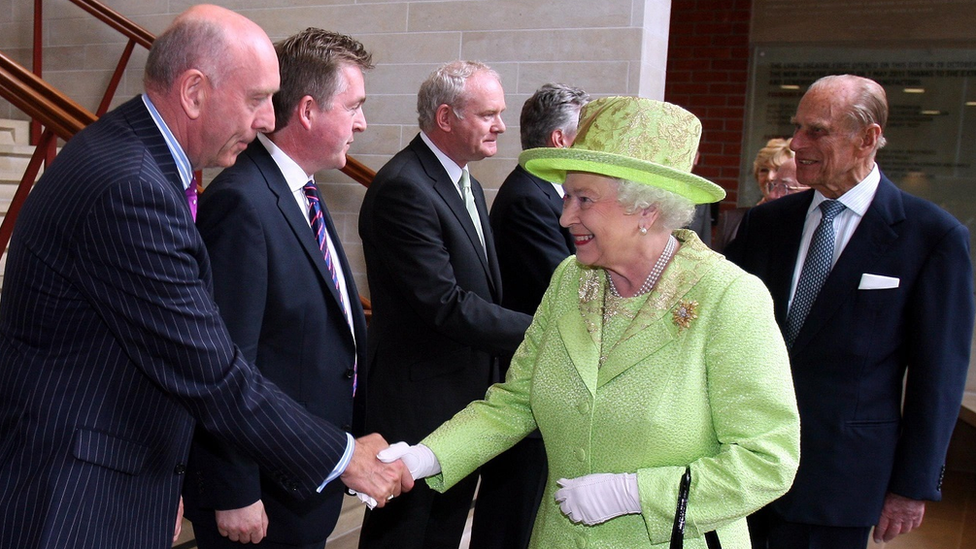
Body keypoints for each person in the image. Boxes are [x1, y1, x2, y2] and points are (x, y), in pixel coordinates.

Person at [0, 7, 409, 549]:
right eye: (257, 98)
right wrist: (341, 455)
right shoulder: (131, 186)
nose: (269, 119)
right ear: (194, 92)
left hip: (118, 470)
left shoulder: (137, 159)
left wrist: (170, 472)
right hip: (75, 492)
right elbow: (211, 370)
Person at [380, 96, 801, 549]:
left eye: (584, 199)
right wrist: (423, 458)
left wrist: (634, 494)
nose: (565, 217)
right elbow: (517, 401)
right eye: (566, 197)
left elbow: (768, 458)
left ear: (647, 210)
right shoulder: (571, 280)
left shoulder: (728, 297)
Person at [725, 74, 974, 549]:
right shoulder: (765, 225)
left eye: (816, 131)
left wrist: (911, 486)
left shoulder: (931, 237)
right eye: (797, 128)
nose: (797, 143)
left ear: (868, 138)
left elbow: (937, 376)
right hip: (740, 468)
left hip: (841, 481)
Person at [181, 28, 374, 549]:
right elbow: (221, 364)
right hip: (262, 493)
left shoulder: (302, 190)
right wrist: (233, 490)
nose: (361, 122)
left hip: (303, 478)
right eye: (354, 106)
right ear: (309, 110)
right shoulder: (243, 202)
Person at [357, 60, 533, 549]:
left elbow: (482, 293)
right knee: (405, 536)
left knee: (443, 532)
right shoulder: (404, 187)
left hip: (465, 398)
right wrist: (544, 329)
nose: (501, 125)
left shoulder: (468, 183)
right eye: (489, 114)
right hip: (419, 404)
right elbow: (445, 303)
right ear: (446, 117)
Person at [477, 82, 587, 549]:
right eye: (590, 136)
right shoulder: (529, 198)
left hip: (549, 376)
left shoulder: (552, 195)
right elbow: (562, 289)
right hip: (529, 374)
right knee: (513, 513)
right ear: (561, 141)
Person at [713, 138, 806, 253]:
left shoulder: (805, 221)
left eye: (778, 169)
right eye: (764, 170)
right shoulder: (732, 219)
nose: (770, 177)